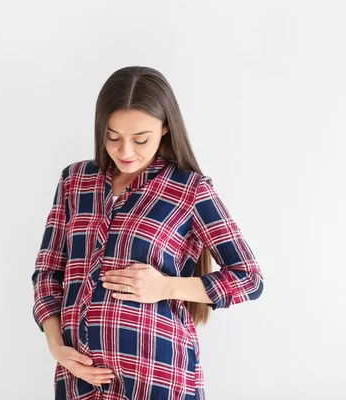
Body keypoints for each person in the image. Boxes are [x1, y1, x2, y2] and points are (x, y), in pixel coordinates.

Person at [31, 66, 265, 400]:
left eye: (141, 139)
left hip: (157, 379)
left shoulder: (190, 190)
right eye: (113, 137)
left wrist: (166, 286)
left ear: (165, 128)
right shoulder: (75, 181)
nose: (125, 152)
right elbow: (48, 272)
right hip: (79, 382)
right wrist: (56, 346)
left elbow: (249, 278)